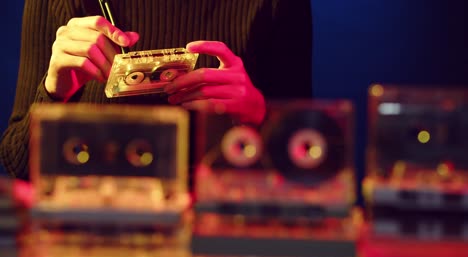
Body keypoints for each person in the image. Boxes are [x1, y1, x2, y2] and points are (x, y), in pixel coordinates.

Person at [0, 0, 313, 181]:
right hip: (92, 234)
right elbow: (18, 163)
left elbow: (312, 163)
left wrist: (260, 114)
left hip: (219, 236)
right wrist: (54, 94)